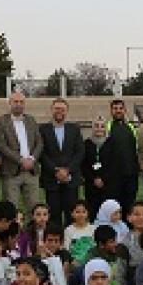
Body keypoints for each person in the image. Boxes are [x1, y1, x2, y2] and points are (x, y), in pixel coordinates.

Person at [0, 91, 43, 216]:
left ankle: (32, 234)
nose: (18, 105)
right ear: (9, 103)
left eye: (21, 102)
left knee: (34, 209)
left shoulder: (31, 120)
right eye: (15, 102)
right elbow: (2, 146)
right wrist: (21, 160)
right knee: (11, 209)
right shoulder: (1, 121)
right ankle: (12, 235)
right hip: (11, 172)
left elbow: (39, 143)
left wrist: (32, 159)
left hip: (31, 172)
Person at [39, 98, 84, 228]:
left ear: (67, 111)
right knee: (53, 214)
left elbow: (80, 152)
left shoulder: (74, 129)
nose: (59, 111)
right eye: (57, 108)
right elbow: (42, 153)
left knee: (72, 214)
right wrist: (56, 170)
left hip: (71, 180)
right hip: (51, 180)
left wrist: (68, 170)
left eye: (62, 109)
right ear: (52, 110)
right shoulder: (43, 129)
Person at [104, 99, 140, 213]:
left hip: (131, 175)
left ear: (125, 110)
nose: (118, 111)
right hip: (113, 177)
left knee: (129, 205)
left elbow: (136, 149)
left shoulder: (131, 127)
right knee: (114, 207)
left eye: (120, 108)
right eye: (115, 109)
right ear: (111, 111)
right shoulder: (107, 127)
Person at [81, 116, 109, 217]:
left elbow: (113, 164)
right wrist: (94, 179)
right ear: (92, 128)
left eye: (102, 126)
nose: (99, 129)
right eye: (96, 126)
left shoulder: (110, 143)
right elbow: (83, 164)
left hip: (107, 184)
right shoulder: (86, 144)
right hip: (91, 184)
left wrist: (103, 179)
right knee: (92, 211)